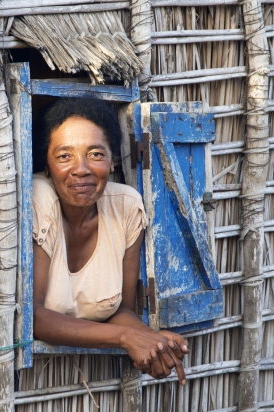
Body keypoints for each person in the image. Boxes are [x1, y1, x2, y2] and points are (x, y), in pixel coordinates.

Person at [32, 98, 189, 381]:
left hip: (97, 382)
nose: (81, 169)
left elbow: (122, 310)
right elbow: (35, 317)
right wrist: (126, 337)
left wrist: (153, 342)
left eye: (95, 154)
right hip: (41, 380)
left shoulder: (126, 207)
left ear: (113, 160)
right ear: (47, 164)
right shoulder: (38, 198)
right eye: (64, 156)